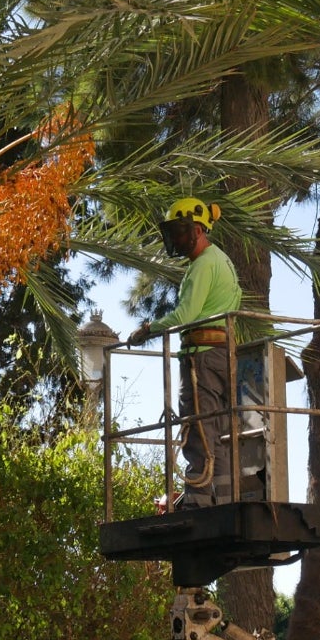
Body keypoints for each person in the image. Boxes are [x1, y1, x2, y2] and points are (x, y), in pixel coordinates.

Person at [127, 197, 242, 508]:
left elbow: (185, 315)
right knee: (215, 434)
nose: (176, 239)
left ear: (198, 229)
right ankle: (224, 500)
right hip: (221, 355)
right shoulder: (222, 260)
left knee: (197, 431)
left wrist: (149, 329)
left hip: (201, 358)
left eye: (180, 231)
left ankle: (197, 499)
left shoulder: (203, 264)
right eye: (173, 233)